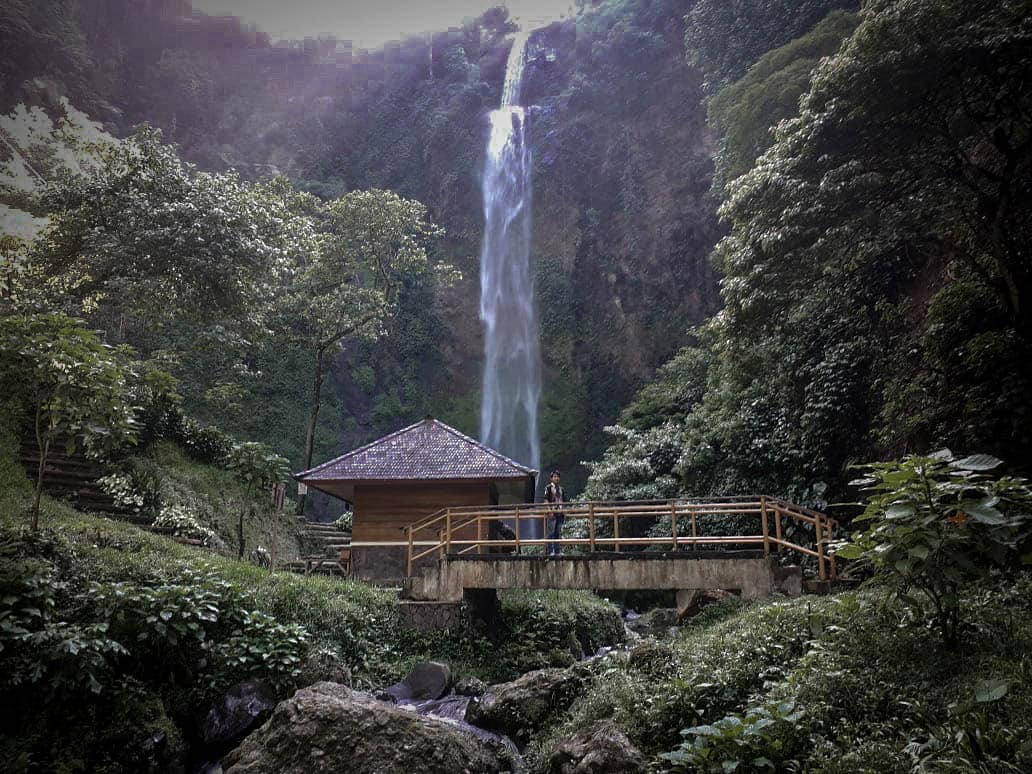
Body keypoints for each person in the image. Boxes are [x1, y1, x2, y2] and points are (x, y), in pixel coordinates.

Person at [544, 469, 565, 555]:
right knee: (551, 532)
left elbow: (564, 501)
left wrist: (564, 511)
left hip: (560, 513)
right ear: (551, 478)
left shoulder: (561, 489)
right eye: (555, 476)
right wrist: (549, 511)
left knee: (557, 532)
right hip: (552, 513)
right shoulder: (548, 488)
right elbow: (545, 500)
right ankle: (550, 551)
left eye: (558, 477)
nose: (556, 478)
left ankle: (557, 551)